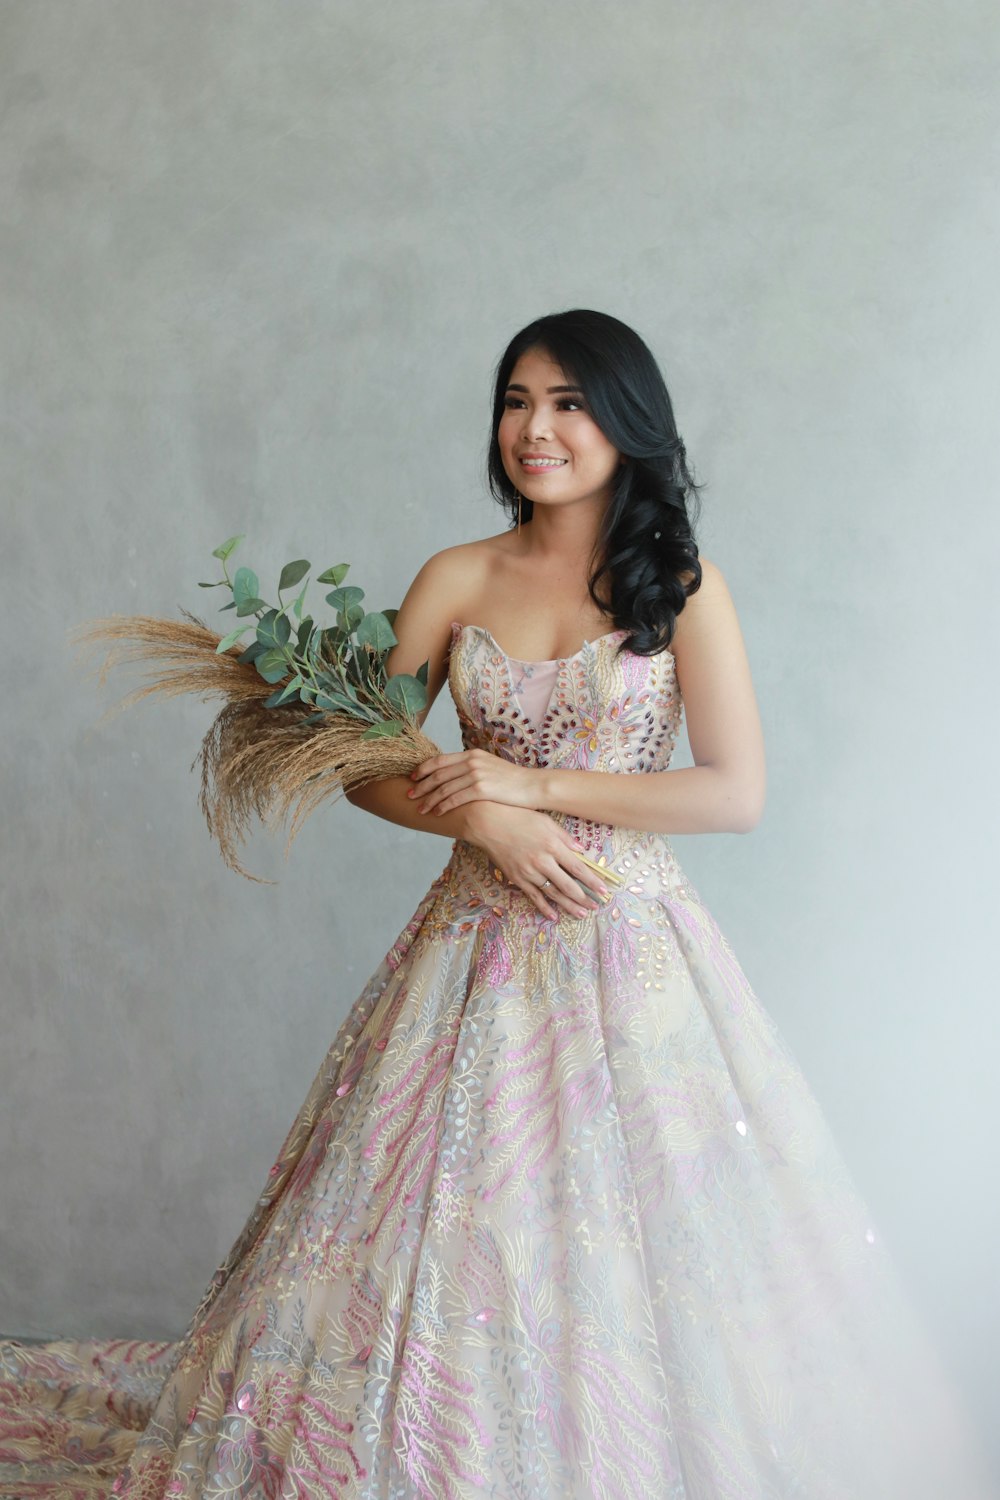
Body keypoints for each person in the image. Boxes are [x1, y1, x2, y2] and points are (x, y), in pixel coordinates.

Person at [0, 309, 992, 1499]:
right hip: (470, 952)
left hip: (629, 948)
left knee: (648, 1246)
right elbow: (357, 758)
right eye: (517, 401)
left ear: (627, 424)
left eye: (569, 402)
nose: (537, 428)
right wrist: (478, 818)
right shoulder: (457, 576)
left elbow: (735, 793)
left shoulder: (680, 584)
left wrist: (529, 784)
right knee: (449, 1227)